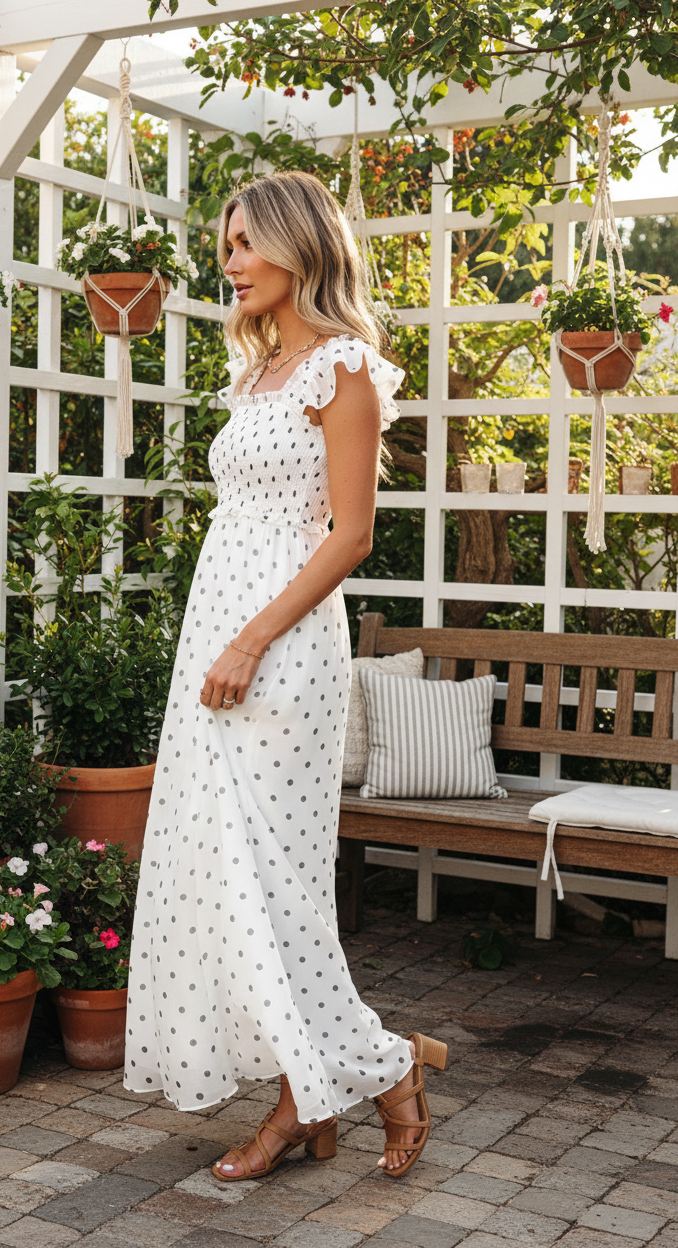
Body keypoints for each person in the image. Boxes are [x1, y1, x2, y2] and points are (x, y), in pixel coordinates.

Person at [124, 170, 448, 1180]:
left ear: (297, 248)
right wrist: (217, 640)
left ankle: (380, 1076)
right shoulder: (254, 373)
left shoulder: (344, 369)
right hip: (217, 639)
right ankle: (324, 1095)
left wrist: (250, 640)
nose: (227, 264)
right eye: (223, 247)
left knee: (273, 891)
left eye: (241, 245)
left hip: (278, 649)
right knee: (221, 880)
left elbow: (348, 537)